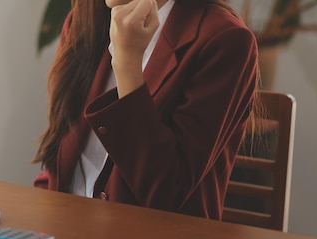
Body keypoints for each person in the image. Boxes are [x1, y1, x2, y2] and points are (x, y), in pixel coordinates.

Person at [32, 0, 259, 220]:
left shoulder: (225, 40)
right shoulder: (84, 20)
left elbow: (167, 193)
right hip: (67, 234)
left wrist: (127, 63)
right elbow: (59, 164)